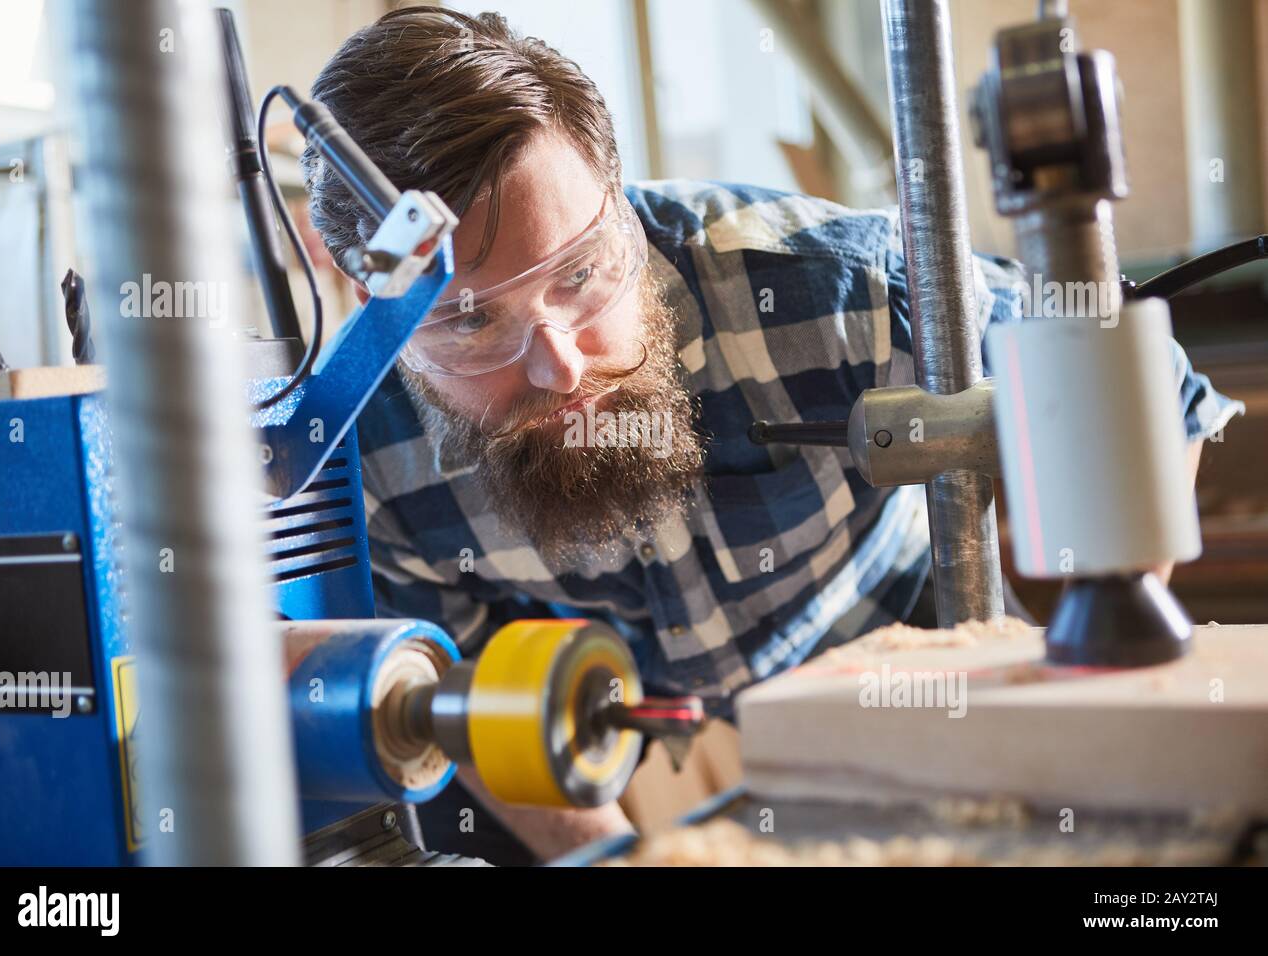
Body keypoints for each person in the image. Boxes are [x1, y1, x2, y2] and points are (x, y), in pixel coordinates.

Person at [297, 6, 1241, 864]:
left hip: (917, 688)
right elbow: (463, 707)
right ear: (360, 293)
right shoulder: (355, 460)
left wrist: (1102, 644)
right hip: (638, 740)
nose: (561, 366)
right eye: (470, 324)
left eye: (580, 275)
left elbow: (1157, 395)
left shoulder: (840, 293)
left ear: (619, 201)